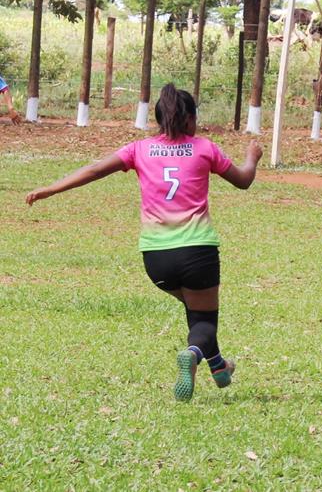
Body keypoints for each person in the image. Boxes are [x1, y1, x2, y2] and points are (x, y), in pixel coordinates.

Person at [26, 84, 263, 402]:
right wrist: (252, 156)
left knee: (195, 310)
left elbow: (95, 170)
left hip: (156, 259)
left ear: (159, 119)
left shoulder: (139, 149)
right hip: (197, 253)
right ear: (190, 120)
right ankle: (193, 354)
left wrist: (50, 189)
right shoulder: (205, 148)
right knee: (204, 319)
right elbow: (244, 180)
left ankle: (219, 367)